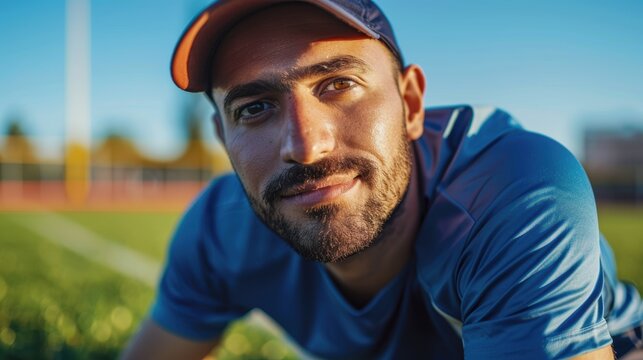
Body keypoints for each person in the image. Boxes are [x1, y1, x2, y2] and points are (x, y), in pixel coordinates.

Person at [122, 0, 643, 359]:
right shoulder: (220, 230)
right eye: (255, 108)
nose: (305, 146)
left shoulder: (511, 191)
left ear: (410, 103)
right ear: (222, 135)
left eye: (338, 83)